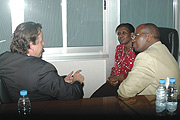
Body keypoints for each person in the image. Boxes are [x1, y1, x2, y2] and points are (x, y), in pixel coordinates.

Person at [0, 21, 84, 102]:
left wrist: (61, 81)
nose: (43, 43)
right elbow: (72, 94)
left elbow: (37, 82)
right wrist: (77, 81)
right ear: (31, 45)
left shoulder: (3, 59)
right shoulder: (42, 69)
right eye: (41, 41)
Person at [117, 23, 180, 97]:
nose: (133, 40)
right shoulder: (163, 48)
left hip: (153, 105)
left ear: (148, 36)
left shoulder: (146, 57)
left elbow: (125, 91)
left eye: (136, 36)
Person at [91, 23, 136, 98]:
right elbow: (116, 66)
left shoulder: (137, 50)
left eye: (124, 33)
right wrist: (112, 76)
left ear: (132, 34)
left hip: (129, 84)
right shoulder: (119, 48)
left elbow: (136, 73)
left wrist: (117, 78)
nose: (120, 36)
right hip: (116, 82)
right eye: (118, 34)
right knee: (95, 98)